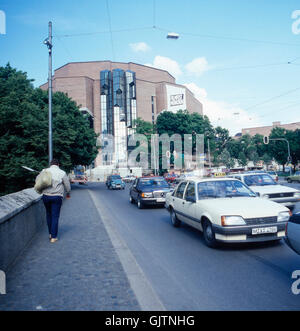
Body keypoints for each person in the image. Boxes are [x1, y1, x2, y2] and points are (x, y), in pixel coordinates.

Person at [37, 159, 71, 243]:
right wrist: (68, 193)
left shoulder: (44, 171)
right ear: (58, 164)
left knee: (48, 214)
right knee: (55, 216)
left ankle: (50, 233)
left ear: (50, 164)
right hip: (57, 197)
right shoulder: (62, 172)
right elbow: (67, 185)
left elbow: (37, 181)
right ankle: (54, 237)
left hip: (46, 196)